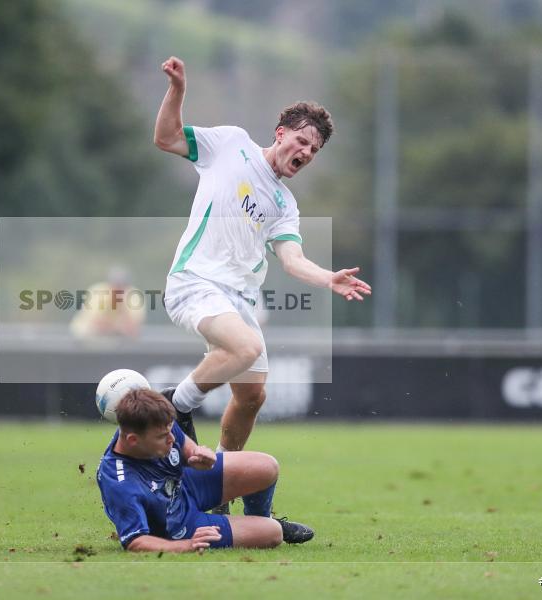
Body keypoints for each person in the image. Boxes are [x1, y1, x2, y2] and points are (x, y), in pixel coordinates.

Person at [154, 56, 372, 513]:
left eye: (313, 152)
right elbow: (166, 138)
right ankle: (176, 405)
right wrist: (177, 90)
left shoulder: (284, 203)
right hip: (195, 280)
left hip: (238, 298)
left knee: (252, 395)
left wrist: (328, 277)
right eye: (301, 142)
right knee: (245, 350)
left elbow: (292, 260)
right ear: (280, 133)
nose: (306, 154)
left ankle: (217, 492)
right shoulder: (231, 145)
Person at [97, 388, 313, 552]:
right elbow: (135, 542)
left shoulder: (152, 424)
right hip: (180, 525)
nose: (171, 439)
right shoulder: (120, 483)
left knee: (267, 466)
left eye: (171, 431)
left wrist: (198, 455)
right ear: (133, 440)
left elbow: (186, 446)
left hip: (188, 482)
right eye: (163, 438)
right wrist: (185, 545)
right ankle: (266, 527)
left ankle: (259, 519)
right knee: (273, 533)